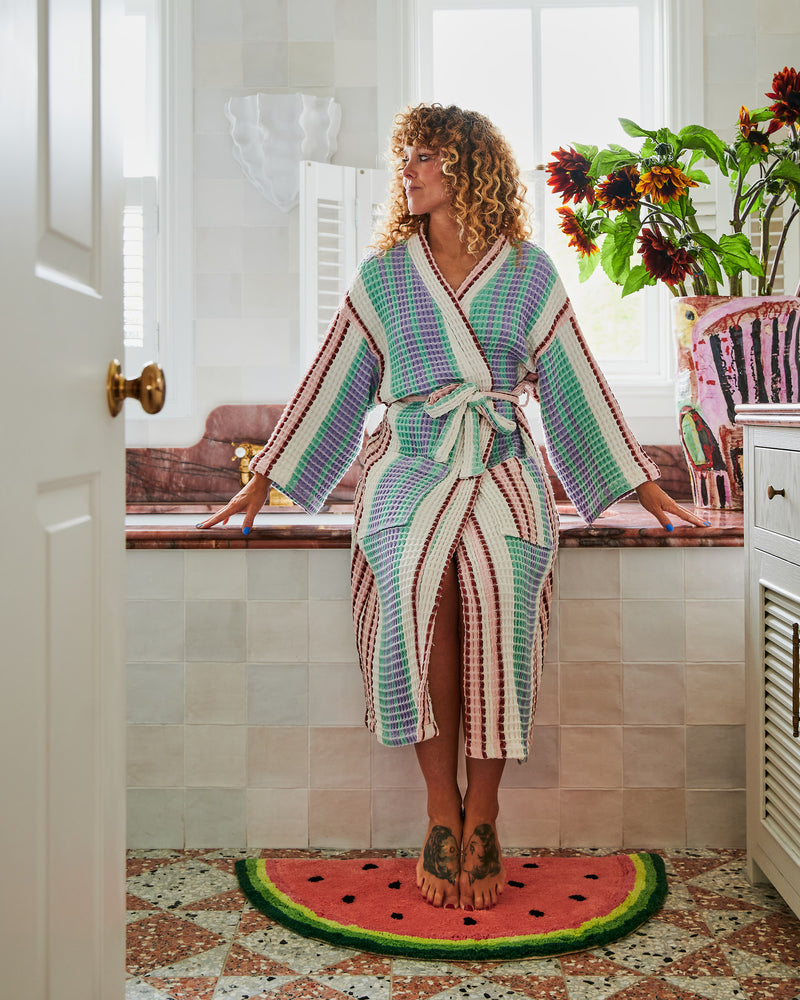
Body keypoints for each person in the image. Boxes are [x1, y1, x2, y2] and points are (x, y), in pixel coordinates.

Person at [198, 104, 706, 911]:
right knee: (412, 580)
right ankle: (442, 811)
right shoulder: (385, 277)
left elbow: (576, 385)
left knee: (504, 581)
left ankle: (488, 811)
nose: (409, 170)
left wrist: (647, 487)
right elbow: (332, 383)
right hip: (408, 461)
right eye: (406, 156)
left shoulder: (531, 273)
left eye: (425, 156)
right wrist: (263, 478)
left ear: (468, 167)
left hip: (502, 459)